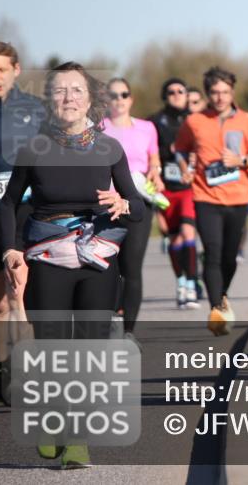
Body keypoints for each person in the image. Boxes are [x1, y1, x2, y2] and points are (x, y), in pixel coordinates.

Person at [1, 61, 145, 468]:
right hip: (47, 255)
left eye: (76, 90)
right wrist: (11, 250)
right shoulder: (34, 148)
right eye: (60, 91)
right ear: (51, 100)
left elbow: (135, 204)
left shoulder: (109, 148)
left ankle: (77, 439)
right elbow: (10, 202)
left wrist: (123, 204)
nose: (68, 98)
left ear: (90, 99)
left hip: (97, 256)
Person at [0, 41, 45, 406]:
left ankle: (25, 372)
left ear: (16, 69)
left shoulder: (36, 110)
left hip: (28, 212)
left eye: (2, 69)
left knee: (21, 293)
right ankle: (1, 366)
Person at [175, 67, 248, 336]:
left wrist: (241, 161)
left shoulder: (247, 121)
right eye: (214, 92)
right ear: (207, 93)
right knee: (213, 252)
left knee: (230, 257)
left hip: (238, 198)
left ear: (232, 92)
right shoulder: (194, 121)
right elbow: (180, 149)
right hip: (206, 196)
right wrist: (183, 166)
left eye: (225, 92)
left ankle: (222, 294)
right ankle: (217, 308)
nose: (220, 97)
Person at [102, 78, 162, 337]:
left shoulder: (147, 128)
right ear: (106, 100)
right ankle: (112, 317)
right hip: (106, 205)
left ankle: (129, 331)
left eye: (123, 94)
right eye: (113, 95)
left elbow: (154, 161)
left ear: (131, 98)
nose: (119, 100)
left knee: (132, 266)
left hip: (137, 205)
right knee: (108, 266)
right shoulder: (98, 128)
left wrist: (156, 174)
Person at [150, 78, 200, 310]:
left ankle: (191, 285)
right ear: (164, 95)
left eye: (181, 90)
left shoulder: (196, 119)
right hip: (165, 188)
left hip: (189, 187)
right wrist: (166, 151)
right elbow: (148, 153)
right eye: (171, 91)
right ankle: (180, 282)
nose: (177, 94)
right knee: (174, 238)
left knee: (188, 232)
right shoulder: (154, 122)